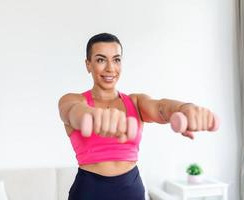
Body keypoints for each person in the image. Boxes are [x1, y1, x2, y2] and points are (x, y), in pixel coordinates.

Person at [58, 33, 217, 200]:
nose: (110, 68)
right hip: (89, 192)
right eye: (100, 60)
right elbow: (72, 112)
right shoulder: (73, 100)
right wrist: (93, 116)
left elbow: (161, 107)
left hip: (131, 191)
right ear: (88, 64)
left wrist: (184, 108)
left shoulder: (135, 102)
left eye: (116, 59)